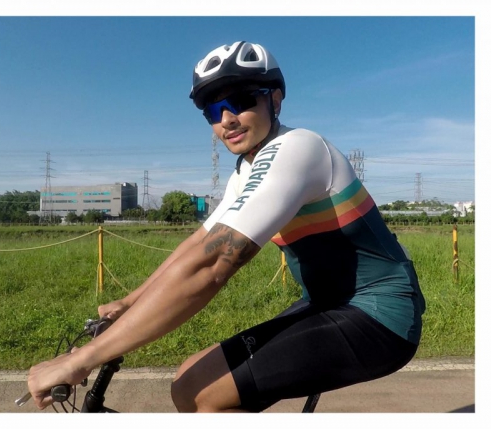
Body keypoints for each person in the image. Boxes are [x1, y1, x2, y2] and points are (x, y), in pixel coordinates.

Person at [27, 41, 426, 412]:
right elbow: (199, 244)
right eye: (213, 111)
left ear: (275, 99)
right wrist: (130, 302)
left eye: (242, 100)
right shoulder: (246, 170)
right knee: (188, 379)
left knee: (201, 392)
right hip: (329, 302)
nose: (226, 120)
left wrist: (82, 360)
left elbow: (213, 264)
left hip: (378, 313)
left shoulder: (298, 148)